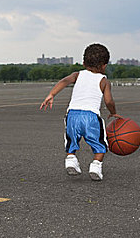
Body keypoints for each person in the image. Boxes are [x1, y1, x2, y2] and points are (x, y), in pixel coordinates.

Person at [40, 43, 121, 181]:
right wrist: (113, 112)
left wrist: (51, 94)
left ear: (83, 62)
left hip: (72, 115)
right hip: (91, 116)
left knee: (71, 140)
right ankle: (96, 165)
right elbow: (108, 101)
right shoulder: (104, 81)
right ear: (105, 65)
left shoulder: (77, 75)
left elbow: (64, 81)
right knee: (99, 143)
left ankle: (71, 159)